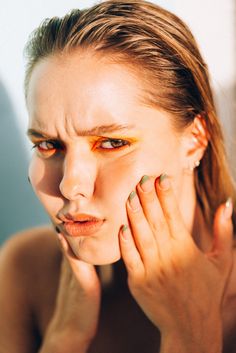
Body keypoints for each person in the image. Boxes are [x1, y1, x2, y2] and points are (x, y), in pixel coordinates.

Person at [0, 0, 235, 352]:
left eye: (112, 143)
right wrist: (64, 336)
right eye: (49, 145)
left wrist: (193, 334)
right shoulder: (26, 270)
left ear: (194, 139)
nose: (70, 185)